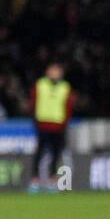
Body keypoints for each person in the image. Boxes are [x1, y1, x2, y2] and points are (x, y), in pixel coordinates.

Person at [28, 63, 73, 193]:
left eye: (57, 71)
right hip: (42, 124)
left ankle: (52, 181)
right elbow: (33, 102)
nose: (54, 73)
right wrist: (34, 119)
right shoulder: (40, 85)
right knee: (39, 152)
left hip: (58, 125)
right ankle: (35, 181)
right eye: (52, 70)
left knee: (55, 154)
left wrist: (65, 122)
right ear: (47, 72)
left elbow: (68, 106)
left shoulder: (65, 87)